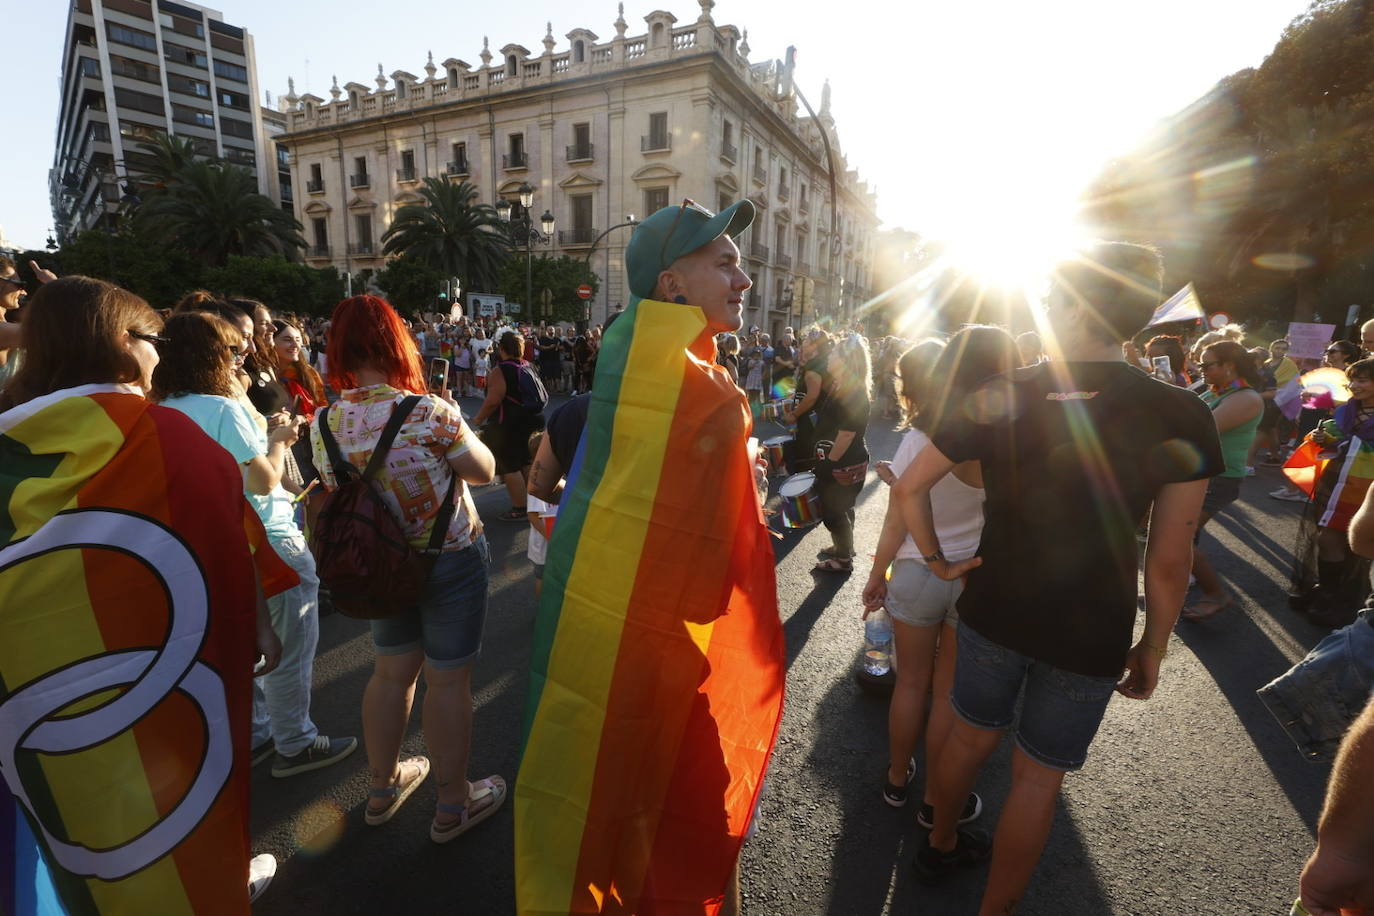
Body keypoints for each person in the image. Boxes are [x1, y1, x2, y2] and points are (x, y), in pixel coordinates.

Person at [894, 243, 1223, 908]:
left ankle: (940, 843)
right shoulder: (1181, 410)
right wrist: (1154, 645)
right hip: (1093, 624)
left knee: (970, 732)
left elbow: (910, 488)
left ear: (1073, 307)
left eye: (1050, 299)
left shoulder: (1003, 393)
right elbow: (1169, 559)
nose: (1042, 308)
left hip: (995, 604)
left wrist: (936, 561)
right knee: (1039, 778)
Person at [516, 200, 782, 916]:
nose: (744, 277)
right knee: (697, 806)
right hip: (664, 645)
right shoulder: (709, 392)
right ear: (671, 286)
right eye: (724, 261)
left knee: (604, 790)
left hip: (592, 624)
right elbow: (717, 571)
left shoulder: (624, 360)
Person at [0, 276, 286, 908]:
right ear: (125, 345)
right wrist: (261, 625)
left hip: (31, 684)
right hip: (161, 667)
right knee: (173, 801)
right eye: (154, 338)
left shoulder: (9, 444)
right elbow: (231, 541)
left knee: (66, 811)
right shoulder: (167, 437)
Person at [310, 294, 503, 842]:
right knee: (448, 680)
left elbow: (334, 490)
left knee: (390, 673)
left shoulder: (324, 422)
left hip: (377, 567)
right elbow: (484, 472)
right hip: (449, 560)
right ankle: (453, 802)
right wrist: (458, 424)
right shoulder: (429, 412)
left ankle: (380, 786)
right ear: (398, 343)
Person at [154, 311, 357, 776]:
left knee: (251, 647)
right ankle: (297, 743)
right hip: (268, 536)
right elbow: (263, 481)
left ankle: (261, 731)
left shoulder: (163, 407)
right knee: (289, 650)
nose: (243, 353)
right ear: (210, 356)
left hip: (215, 544)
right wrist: (281, 440)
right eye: (232, 348)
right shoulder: (221, 408)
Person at [864, 328, 1017, 831]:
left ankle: (895, 779)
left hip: (918, 570)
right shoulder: (1009, 440)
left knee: (910, 683)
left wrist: (875, 574)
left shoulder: (921, 438)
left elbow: (895, 520)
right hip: (973, 576)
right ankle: (936, 798)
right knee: (949, 692)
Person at [1179, 341, 1264, 620]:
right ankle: (1179, 583)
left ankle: (1215, 593)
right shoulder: (1220, 391)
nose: (1200, 369)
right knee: (1184, 535)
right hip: (1200, 474)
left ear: (1229, 366)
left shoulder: (1246, 398)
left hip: (1219, 478)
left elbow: (1201, 430)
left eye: (1206, 365)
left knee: (1178, 538)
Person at [1289, 356, 1374, 626]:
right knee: (1329, 538)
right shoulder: (1346, 410)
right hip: (1335, 483)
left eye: (1362, 380)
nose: (1354, 386)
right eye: (1352, 380)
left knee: (1351, 544)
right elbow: (1333, 441)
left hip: (1364, 490)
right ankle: (1329, 593)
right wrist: (1320, 438)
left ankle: (1340, 598)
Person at [812, 334, 873, 572]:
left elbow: (846, 433)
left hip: (843, 462)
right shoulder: (843, 384)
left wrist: (829, 463)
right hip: (845, 460)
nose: (830, 356)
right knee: (844, 507)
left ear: (846, 360)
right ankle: (844, 547)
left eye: (835, 352)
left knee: (833, 511)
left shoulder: (852, 390)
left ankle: (843, 560)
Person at [473, 329, 546, 521]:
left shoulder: (500, 370)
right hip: (533, 419)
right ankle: (535, 504)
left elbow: (493, 400)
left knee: (509, 465)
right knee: (527, 461)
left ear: (501, 348)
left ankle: (520, 508)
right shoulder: (528, 365)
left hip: (509, 423)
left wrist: (478, 419)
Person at [782, 329, 834, 474]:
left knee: (805, 461)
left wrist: (794, 414)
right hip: (821, 419)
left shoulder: (814, 366)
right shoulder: (825, 361)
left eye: (806, 341)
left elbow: (812, 396)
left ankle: (806, 489)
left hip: (810, 421)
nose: (802, 344)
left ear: (814, 345)